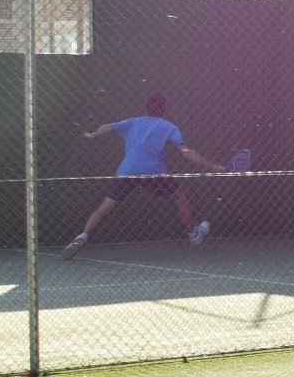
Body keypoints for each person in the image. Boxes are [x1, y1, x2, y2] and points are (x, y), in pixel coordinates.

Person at [61, 94, 225, 259]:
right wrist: (211, 166)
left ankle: (83, 236)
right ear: (164, 109)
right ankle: (193, 235)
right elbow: (185, 151)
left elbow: (105, 127)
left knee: (103, 209)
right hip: (153, 174)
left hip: (127, 172)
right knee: (179, 197)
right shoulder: (169, 127)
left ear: (146, 108)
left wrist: (92, 135)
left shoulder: (133, 122)